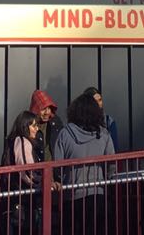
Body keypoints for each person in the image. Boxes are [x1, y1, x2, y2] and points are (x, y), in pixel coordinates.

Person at [53, 93, 115, 233]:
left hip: (72, 195)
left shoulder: (65, 133)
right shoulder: (104, 134)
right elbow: (111, 163)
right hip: (98, 194)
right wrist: (106, 178)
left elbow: (57, 166)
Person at [0, 112, 43, 234]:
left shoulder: (14, 141)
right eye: (34, 126)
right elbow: (27, 170)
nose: (37, 129)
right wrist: (43, 182)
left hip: (16, 199)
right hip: (21, 200)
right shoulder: (22, 141)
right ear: (25, 126)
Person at [81, 86, 121, 151]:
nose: (99, 104)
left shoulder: (109, 122)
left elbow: (114, 148)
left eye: (100, 100)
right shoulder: (79, 122)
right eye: (95, 101)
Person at [30, 90, 62, 161]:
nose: (47, 112)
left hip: (54, 166)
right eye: (43, 109)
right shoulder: (28, 125)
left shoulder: (56, 122)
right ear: (36, 109)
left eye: (49, 108)